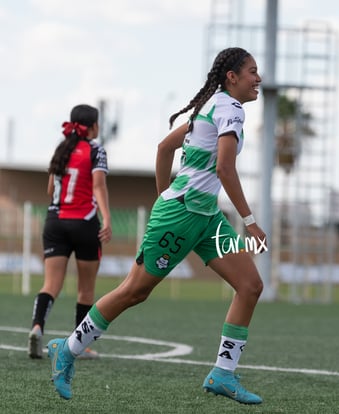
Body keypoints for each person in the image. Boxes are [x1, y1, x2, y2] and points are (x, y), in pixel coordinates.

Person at [47, 47, 266, 405]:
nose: (258, 79)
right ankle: (67, 349)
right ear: (232, 77)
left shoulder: (209, 106)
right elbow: (225, 169)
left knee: (250, 285)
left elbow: (165, 147)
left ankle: (223, 373)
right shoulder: (230, 108)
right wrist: (250, 222)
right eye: (252, 72)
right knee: (134, 291)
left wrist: (165, 193)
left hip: (207, 217)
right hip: (181, 217)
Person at [28, 104, 112, 360]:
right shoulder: (96, 150)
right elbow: (98, 186)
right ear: (94, 126)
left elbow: (50, 188)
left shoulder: (61, 148)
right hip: (84, 223)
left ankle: (36, 327)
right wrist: (106, 217)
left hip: (55, 221)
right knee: (85, 289)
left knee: (51, 284)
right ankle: (80, 346)